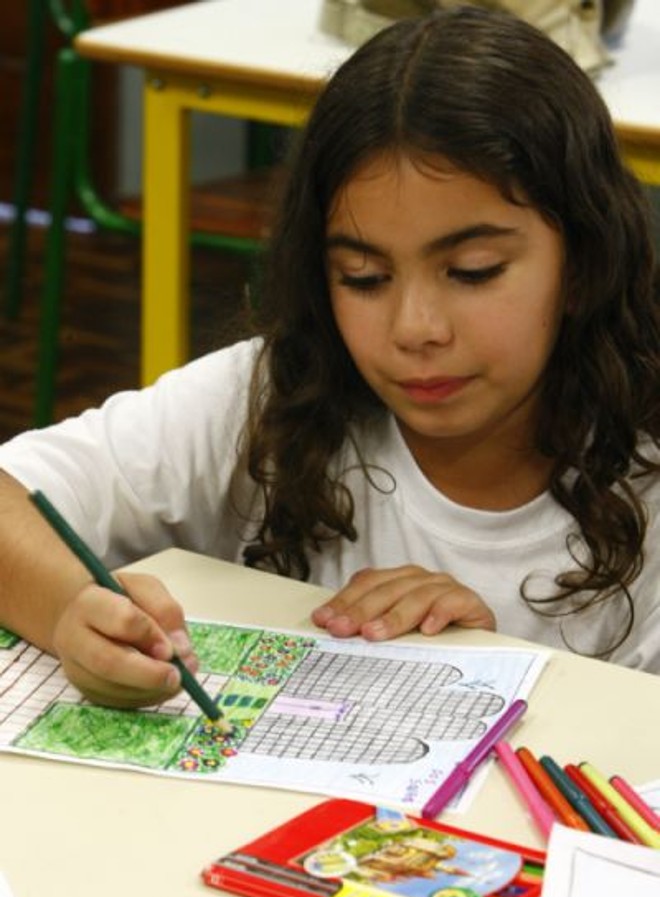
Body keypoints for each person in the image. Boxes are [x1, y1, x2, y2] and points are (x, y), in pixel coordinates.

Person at [0, 5, 659, 712]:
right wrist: (70, 610)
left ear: (585, 259)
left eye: (473, 271)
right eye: (364, 279)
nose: (416, 329)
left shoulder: (642, 468)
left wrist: (496, 674)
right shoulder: (274, 396)